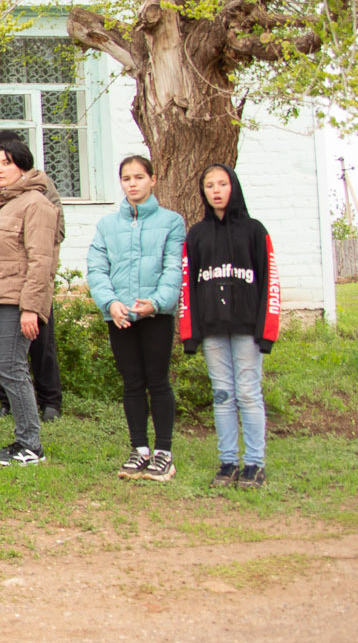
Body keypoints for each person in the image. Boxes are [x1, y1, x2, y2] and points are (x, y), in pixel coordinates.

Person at [88, 154, 187, 482]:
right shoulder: (107, 226)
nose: (132, 184)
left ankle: (163, 453)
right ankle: (139, 449)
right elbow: (97, 269)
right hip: (120, 317)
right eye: (126, 178)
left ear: (152, 179)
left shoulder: (171, 222)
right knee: (132, 382)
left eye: (139, 177)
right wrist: (110, 303)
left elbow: (173, 268)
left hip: (155, 315)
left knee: (157, 381)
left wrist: (156, 303)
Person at [181, 164, 280, 488]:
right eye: (209, 185)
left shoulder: (255, 231)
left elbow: (269, 281)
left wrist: (266, 332)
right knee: (222, 395)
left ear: (233, 187)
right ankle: (227, 462)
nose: (216, 191)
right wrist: (191, 334)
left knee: (248, 394)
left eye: (222, 184)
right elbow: (188, 285)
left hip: (246, 329)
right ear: (203, 192)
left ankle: (254, 464)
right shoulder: (197, 235)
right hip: (212, 330)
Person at [0, 138, 61, 467]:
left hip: (17, 302)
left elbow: (41, 261)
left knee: (13, 370)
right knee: (7, 369)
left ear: (23, 166)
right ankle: (24, 439)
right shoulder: (1, 204)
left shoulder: (37, 204)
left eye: (6, 163)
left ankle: (31, 445)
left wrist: (31, 308)